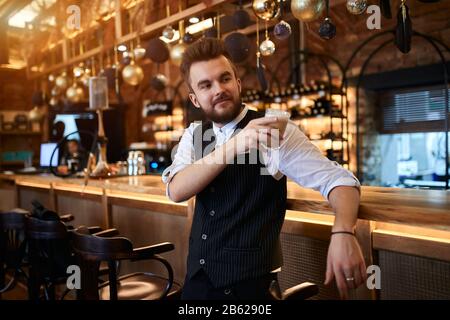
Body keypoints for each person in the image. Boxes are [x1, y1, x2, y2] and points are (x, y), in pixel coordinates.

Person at [162, 38, 366, 300]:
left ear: (238, 82)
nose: (218, 89)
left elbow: (339, 181)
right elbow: (176, 190)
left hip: (248, 288)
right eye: (206, 85)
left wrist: (343, 232)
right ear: (195, 99)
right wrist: (235, 145)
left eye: (225, 79)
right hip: (197, 281)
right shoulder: (195, 134)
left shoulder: (274, 130)